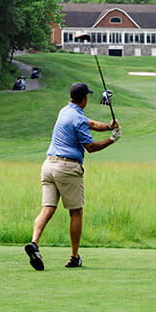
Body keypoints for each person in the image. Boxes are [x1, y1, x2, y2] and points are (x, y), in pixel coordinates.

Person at [24, 82, 120, 270]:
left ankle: (34, 243)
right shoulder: (78, 119)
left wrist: (108, 127)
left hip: (48, 166)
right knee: (76, 212)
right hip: (67, 168)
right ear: (84, 98)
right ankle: (74, 257)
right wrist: (112, 139)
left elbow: (91, 124)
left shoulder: (64, 112)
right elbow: (90, 147)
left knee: (47, 208)